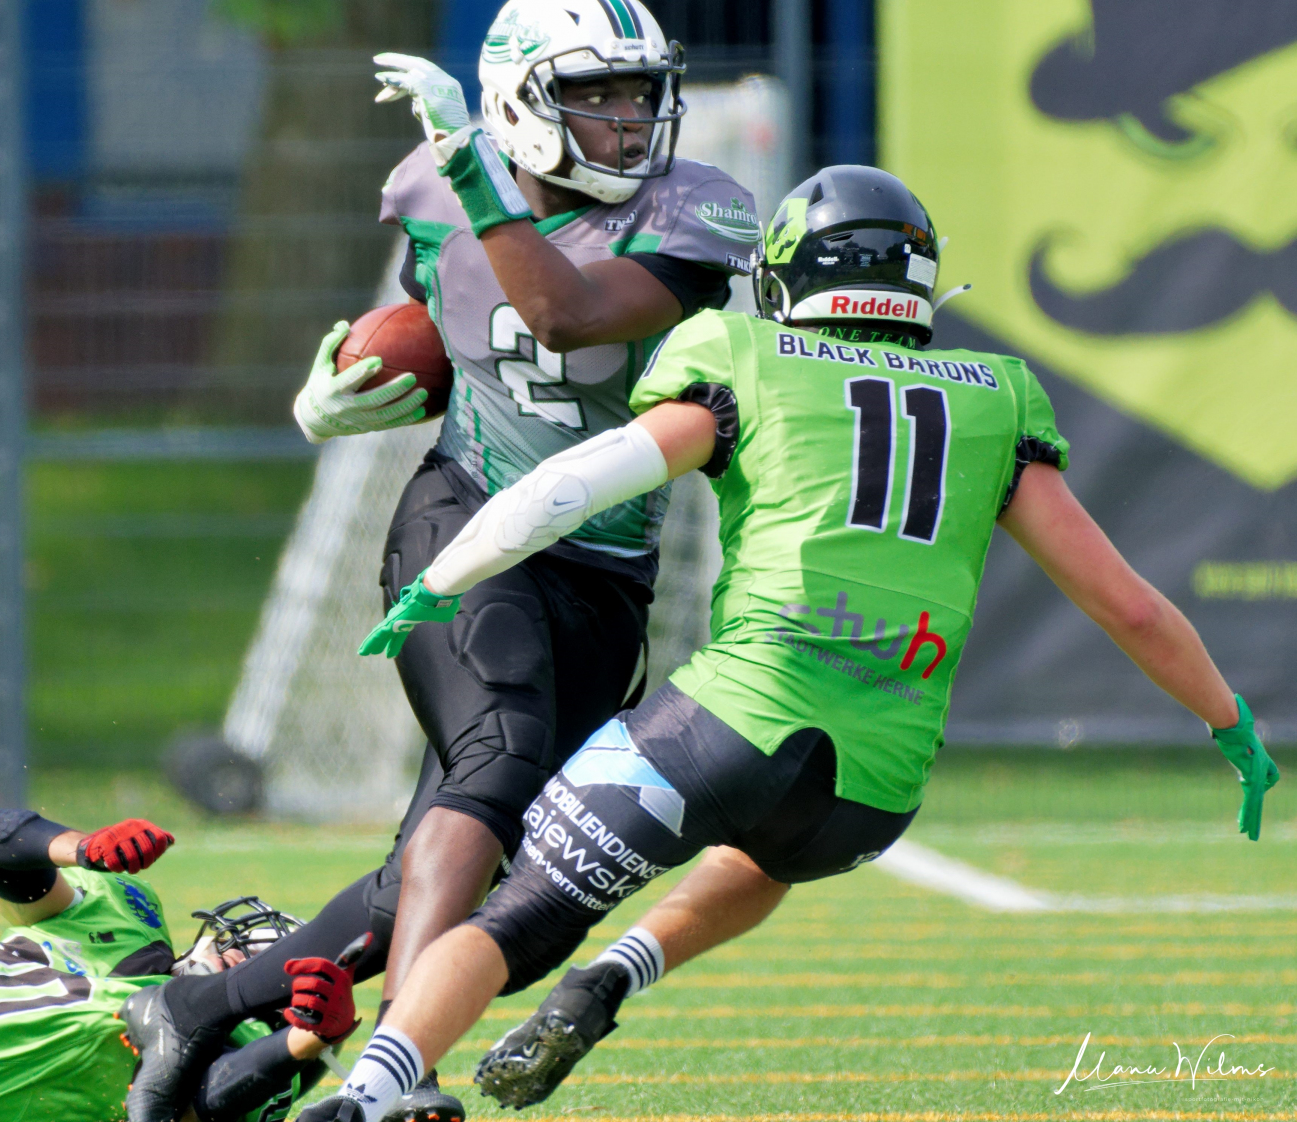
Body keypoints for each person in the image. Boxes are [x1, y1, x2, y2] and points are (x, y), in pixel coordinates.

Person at [290, 165, 1280, 1122]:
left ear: (789, 277)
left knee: (514, 918)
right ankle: (611, 978)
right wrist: (1229, 722)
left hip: (728, 722)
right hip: (872, 797)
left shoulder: (741, 353)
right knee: (764, 849)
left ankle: (368, 1096)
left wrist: (440, 577)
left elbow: (575, 485)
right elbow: (1130, 607)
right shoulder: (995, 393)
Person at [125, 0, 784, 1122]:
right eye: (598, 96)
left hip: (604, 570)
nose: (631, 120)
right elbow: (448, 311)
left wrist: (479, 176)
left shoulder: (693, 208)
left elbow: (567, 313)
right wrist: (339, 393)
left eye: (640, 93)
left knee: (512, 878)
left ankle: (204, 1018)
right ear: (524, 102)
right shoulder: (430, 185)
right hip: (467, 528)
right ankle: (397, 1071)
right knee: (499, 757)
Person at [0, 808, 357, 1122]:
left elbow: (210, 1098)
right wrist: (79, 848)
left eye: (260, 960)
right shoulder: (128, 921)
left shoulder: (239, 1050)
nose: (236, 949)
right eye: (241, 945)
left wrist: (305, 1042)